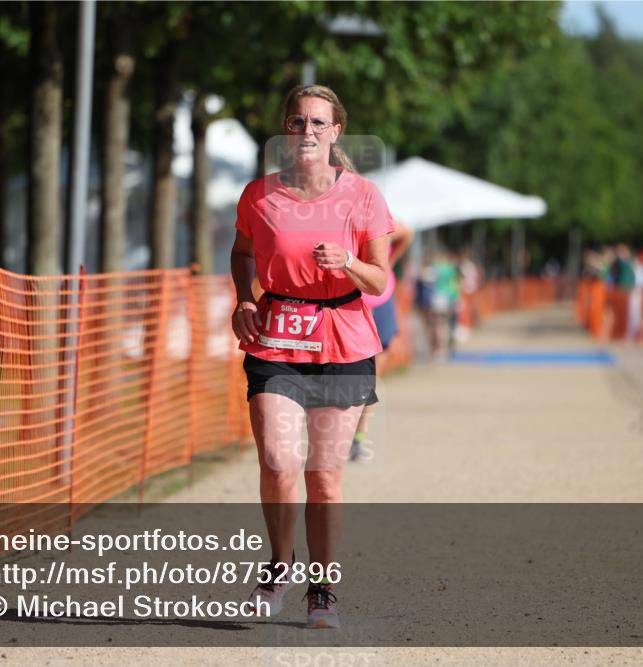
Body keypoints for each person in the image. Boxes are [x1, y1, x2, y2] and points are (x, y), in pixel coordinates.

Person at [229, 84, 393, 629]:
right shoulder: (259, 195)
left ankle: (322, 587)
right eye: (298, 122)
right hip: (277, 338)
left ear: (336, 131)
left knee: (323, 476)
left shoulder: (364, 196)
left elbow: (379, 277)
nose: (308, 132)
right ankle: (280, 563)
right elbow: (242, 251)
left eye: (319, 123)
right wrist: (243, 299)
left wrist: (347, 261)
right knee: (279, 462)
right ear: (286, 129)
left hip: (343, 339)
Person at [350, 220, 413, 462]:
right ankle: (335, 433)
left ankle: (359, 438)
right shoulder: (331, 218)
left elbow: (407, 232)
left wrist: (388, 264)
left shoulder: (376, 216)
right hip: (348, 305)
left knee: (371, 378)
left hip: (380, 302)